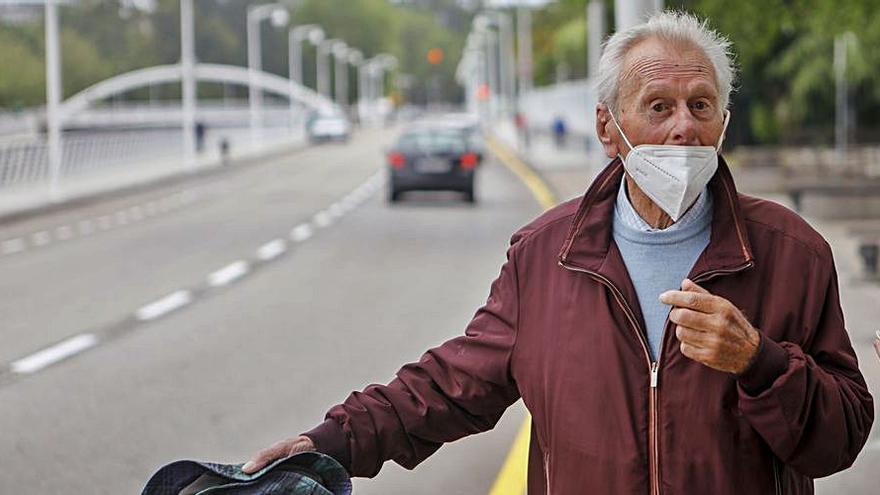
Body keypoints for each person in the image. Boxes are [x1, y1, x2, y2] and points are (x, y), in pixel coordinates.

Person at [243, 12, 873, 493]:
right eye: (658, 107)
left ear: (723, 122)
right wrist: (329, 443)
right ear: (608, 127)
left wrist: (760, 363)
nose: (684, 126)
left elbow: (839, 439)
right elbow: (451, 385)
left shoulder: (794, 254)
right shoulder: (548, 254)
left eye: (700, 106)